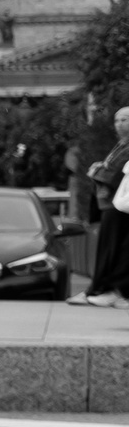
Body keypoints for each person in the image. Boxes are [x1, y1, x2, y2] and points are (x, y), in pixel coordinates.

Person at [70, 106, 129, 307]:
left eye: (124, 120)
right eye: (117, 120)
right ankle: (103, 289)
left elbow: (114, 174)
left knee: (114, 250)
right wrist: (100, 168)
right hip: (111, 204)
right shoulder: (120, 145)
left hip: (119, 205)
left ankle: (106, 289)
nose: (119, 124)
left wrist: (98, 172)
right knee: (110, 250)